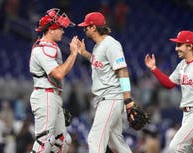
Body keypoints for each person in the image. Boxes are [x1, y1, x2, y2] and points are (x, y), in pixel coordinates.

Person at [145, 30, 193, 153]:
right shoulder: (182, 65)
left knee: (175, 147)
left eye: (179, 45)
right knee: (191, 151)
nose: (176, 48)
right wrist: (154, 68)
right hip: (187, 114)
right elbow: (169, 84)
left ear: (189, 46)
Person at [77, 12, 136, 153]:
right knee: (116, 143)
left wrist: (128, 99)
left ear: (93, 27)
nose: (84, 29)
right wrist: (85, 53)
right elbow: (100, 64)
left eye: (86, 26)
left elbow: (123, 70)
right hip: (105, 99)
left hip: (111, 98)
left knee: (95, 139)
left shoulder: (111, 45)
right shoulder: (99, 46)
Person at [29, 8, 79, 153]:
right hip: (45, 96)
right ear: (51, 30)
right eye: (60, 28)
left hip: (52, 96)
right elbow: (58, 74)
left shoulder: (51, 46)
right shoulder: (43, 49)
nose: (63, 32)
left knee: (63, 141)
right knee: (43, 142)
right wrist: (73, 54)